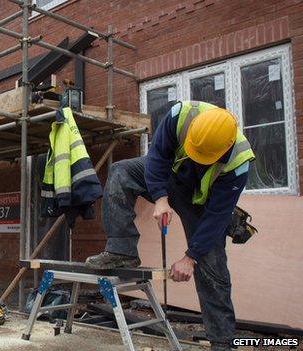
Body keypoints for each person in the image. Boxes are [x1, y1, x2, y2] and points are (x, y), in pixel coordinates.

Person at [85, 101, 255, 350]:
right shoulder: (181, 115)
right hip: (170, 177)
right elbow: (157, 157)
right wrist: (160, 198)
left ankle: (222, 341)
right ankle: (121, 250)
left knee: (213, 268)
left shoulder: (239, 162)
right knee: (121, 172)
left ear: (224, 149)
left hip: (202, 203)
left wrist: (190, 257)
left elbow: (218, 215)